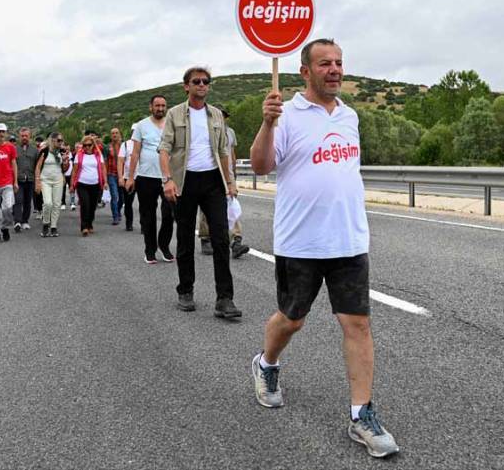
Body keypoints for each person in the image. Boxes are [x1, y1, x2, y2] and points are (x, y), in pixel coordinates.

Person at [248, 39, 399, 458]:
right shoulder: (286, 114)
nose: (334, 70)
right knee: (291, 320)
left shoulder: (349, 116)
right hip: (300, 241)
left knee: (357, 324)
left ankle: (361, 415)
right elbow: (260, 165)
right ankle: (267, 364)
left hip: (349, 239)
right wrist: (266, 124)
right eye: (324, 64)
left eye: (338, 63)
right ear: (305, 71)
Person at [159, 67, 241, 318]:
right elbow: (164, 149)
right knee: (184, 239)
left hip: (212, 181)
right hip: (185, 181)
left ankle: (225, 299)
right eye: (197, 81)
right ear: (186, 86)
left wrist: (230, 181)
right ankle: (185, 291)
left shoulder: (216, 115)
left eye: (206, 81)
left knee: (221, 239)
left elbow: (224, 151)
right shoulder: (174, 114)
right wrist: (168, 180)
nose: (202, 85)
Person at [125, 95, 175, 265]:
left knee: (169, 214)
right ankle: (150, 249)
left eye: (163, 105)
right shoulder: (141, 125)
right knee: (149, 216)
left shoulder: (171, 123)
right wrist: (130, 177)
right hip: (146, 177)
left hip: (168, 177)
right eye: (157, 105)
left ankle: (164, 245)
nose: (160, 108)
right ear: (151, 107)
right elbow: (135, 153)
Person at [199, 108, 248, 258]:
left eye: (224, 116)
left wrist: (233, 176)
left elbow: (232, 154)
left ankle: (236, 241)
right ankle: (206, 238)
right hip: (210, 173)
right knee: (207, 207)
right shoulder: (204, 130)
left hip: (228, 175)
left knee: (232, 207)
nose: (222, 118)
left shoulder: (230, 132)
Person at [34, 132, 69, 237]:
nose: (61, 142)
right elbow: (38, 167)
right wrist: (37, 181)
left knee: (57, 204)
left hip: (58, 180)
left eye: (62, 140)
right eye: (59, 140)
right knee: (48, 203)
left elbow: (65, 169)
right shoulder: (44, 151)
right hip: (45, 180)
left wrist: (65, 161)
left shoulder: (62, 152)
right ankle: (45, 223)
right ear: (52, 140)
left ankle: (53, 226)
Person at [71, 134, 106, 236]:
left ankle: (90, 223)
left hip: (95, 184)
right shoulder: (79, 155)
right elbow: (74, 170)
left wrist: (105, 182)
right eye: (84, 145)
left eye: (89, 145)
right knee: (85, 205)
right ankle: (84, 227)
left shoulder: (98, 155)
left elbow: (103, 168)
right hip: (82, 184)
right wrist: (72, 184)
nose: (86, 147)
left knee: (92, 206)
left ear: (93, 145)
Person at [12, 127, 40, 232]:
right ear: (19, 136)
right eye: (22, 136)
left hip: (30, 179)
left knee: (28, 201)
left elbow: (38, 166)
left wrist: (38, 181)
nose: (24, 138)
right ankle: (17, 222)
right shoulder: (14, 149)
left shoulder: (35, 150)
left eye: (26, 136)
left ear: (30, 137)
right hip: (18, 180)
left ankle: (25, 221)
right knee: (18, 200)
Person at [116, 129, 136, 231]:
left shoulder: (145, 145)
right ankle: (129, 223)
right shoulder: (125, 145)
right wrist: (120, 177)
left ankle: (144, 225)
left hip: (142, 177)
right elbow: (120, 161)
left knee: (145, 203)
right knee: (128, 202)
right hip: (128, 177)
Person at [104, 128, 125, 226]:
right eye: (112, 133)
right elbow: (104, 162)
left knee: (122, 197)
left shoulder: (124, 146)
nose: (114, 135)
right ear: (110, 135)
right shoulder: (108, 147)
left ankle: (118, 210)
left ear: (120, 134)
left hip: (122, 174)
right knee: (114, 196)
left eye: (116, 133)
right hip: (111, 174)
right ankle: (115, 216)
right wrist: (105, 179)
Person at [32, 135, 45, 218]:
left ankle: (45, 210)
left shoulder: (46, 152)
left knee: (45, 194)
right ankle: (39, 210)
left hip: (46, 176)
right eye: (37, 142)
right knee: (37, 194)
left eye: (40, 142)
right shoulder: (34, 151)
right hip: (36, 176)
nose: (38, 143)